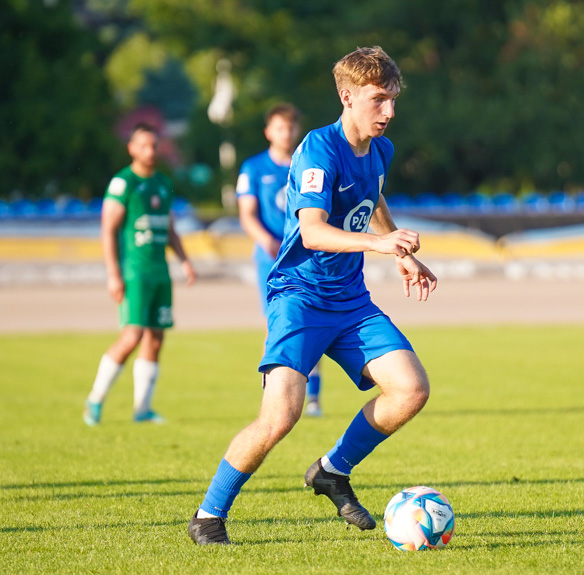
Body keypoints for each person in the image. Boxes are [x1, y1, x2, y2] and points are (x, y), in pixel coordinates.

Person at [188, 46, 436, 545]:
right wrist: (382, 243)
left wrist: (400, 255)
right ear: (347, 97)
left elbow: (374, 198)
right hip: (299, 297)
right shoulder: (318, 151)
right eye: (378, 100)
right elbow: (313, 232)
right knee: (281, 416)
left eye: (393, 100)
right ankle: (209, 515)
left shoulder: (380, 150)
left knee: (411, 389)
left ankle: (332, 470)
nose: (389, 111)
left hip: (350, 299)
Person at [83, 123, 196, 426]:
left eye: (154, 145)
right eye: (144, 145)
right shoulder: (124, 183)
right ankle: (95, 400)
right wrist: (113, 274)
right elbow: (108, 230)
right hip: (135, 272)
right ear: (132, 148)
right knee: (132, 335)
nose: (150, 151)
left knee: (156, 338)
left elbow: (168, 227)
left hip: (160, 272)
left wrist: (184, 260)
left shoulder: (161, 182)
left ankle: (142, 408)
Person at [236, 103, 325, 417]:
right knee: (275, 324)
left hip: (307, 257)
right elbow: (246, 214)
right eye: (278, 128)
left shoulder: (309, 162)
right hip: (270, 259)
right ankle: (271, 397)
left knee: (314, 320)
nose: (285, 134)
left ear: (297, 130)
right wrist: (265, 240)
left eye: (289, 128)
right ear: (268, 131)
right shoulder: (253, 168)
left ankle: (313, 398)